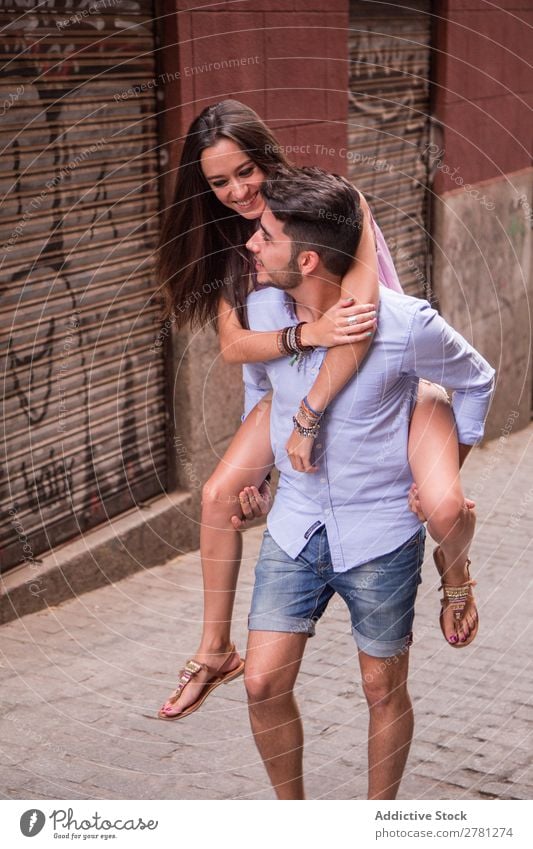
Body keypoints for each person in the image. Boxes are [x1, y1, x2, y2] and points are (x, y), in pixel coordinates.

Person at [156, 99, 476, 722]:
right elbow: (238, 349)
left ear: (266, 155)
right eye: (219, 182)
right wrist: (270, 465)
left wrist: (306, 418)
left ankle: (457, 570)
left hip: (380, 378)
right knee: (220, 496)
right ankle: (216, 648)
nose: (238, 191)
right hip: (290, 382)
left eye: (246, 171)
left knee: (442, 504)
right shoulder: (231, 243)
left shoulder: (332, 204)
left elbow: (355, 323)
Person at [241, 166, 495, 799]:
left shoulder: (407, 325)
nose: (250, 244)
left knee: (382, 689)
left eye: (265, 236)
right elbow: (261, 389)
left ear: (304, 259)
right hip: (296, 525)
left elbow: (478, 379)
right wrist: (262, 474)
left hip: (381, 532)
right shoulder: (265, 309)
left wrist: (441, 466)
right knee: (261, 683)